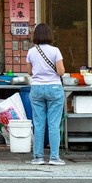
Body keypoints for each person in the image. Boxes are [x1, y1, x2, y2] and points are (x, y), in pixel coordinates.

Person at [26, 22, 66, 166]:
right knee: (53, 124)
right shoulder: (55, 51)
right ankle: (54, 157)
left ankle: (38, 157)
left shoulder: (31, 52)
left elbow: (30, 72)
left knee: (39, 124)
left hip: (37, 88)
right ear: (50, 35)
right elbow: (61, 72)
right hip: (54, 88)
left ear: (35, 35)